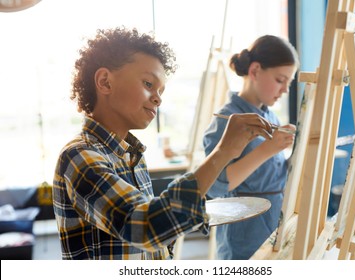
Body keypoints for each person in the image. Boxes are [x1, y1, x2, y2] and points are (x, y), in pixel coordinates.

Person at [52, 26, 273, 260]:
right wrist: (223, 152)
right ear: (105, 82)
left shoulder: (131, 155)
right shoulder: (79, 156)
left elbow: (154, 242)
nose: (158, 98)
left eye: (161, 90)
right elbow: (146, 228)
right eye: (148, 84)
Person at [203, 35, 299, 260]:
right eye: (280, 79)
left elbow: (270, 175)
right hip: (244, 234)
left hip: (273, 225)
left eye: (289, 83)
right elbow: (215, 187)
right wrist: (269, 149)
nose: (285, 89)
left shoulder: (270, 115)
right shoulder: (227, 120)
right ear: (255, 71)